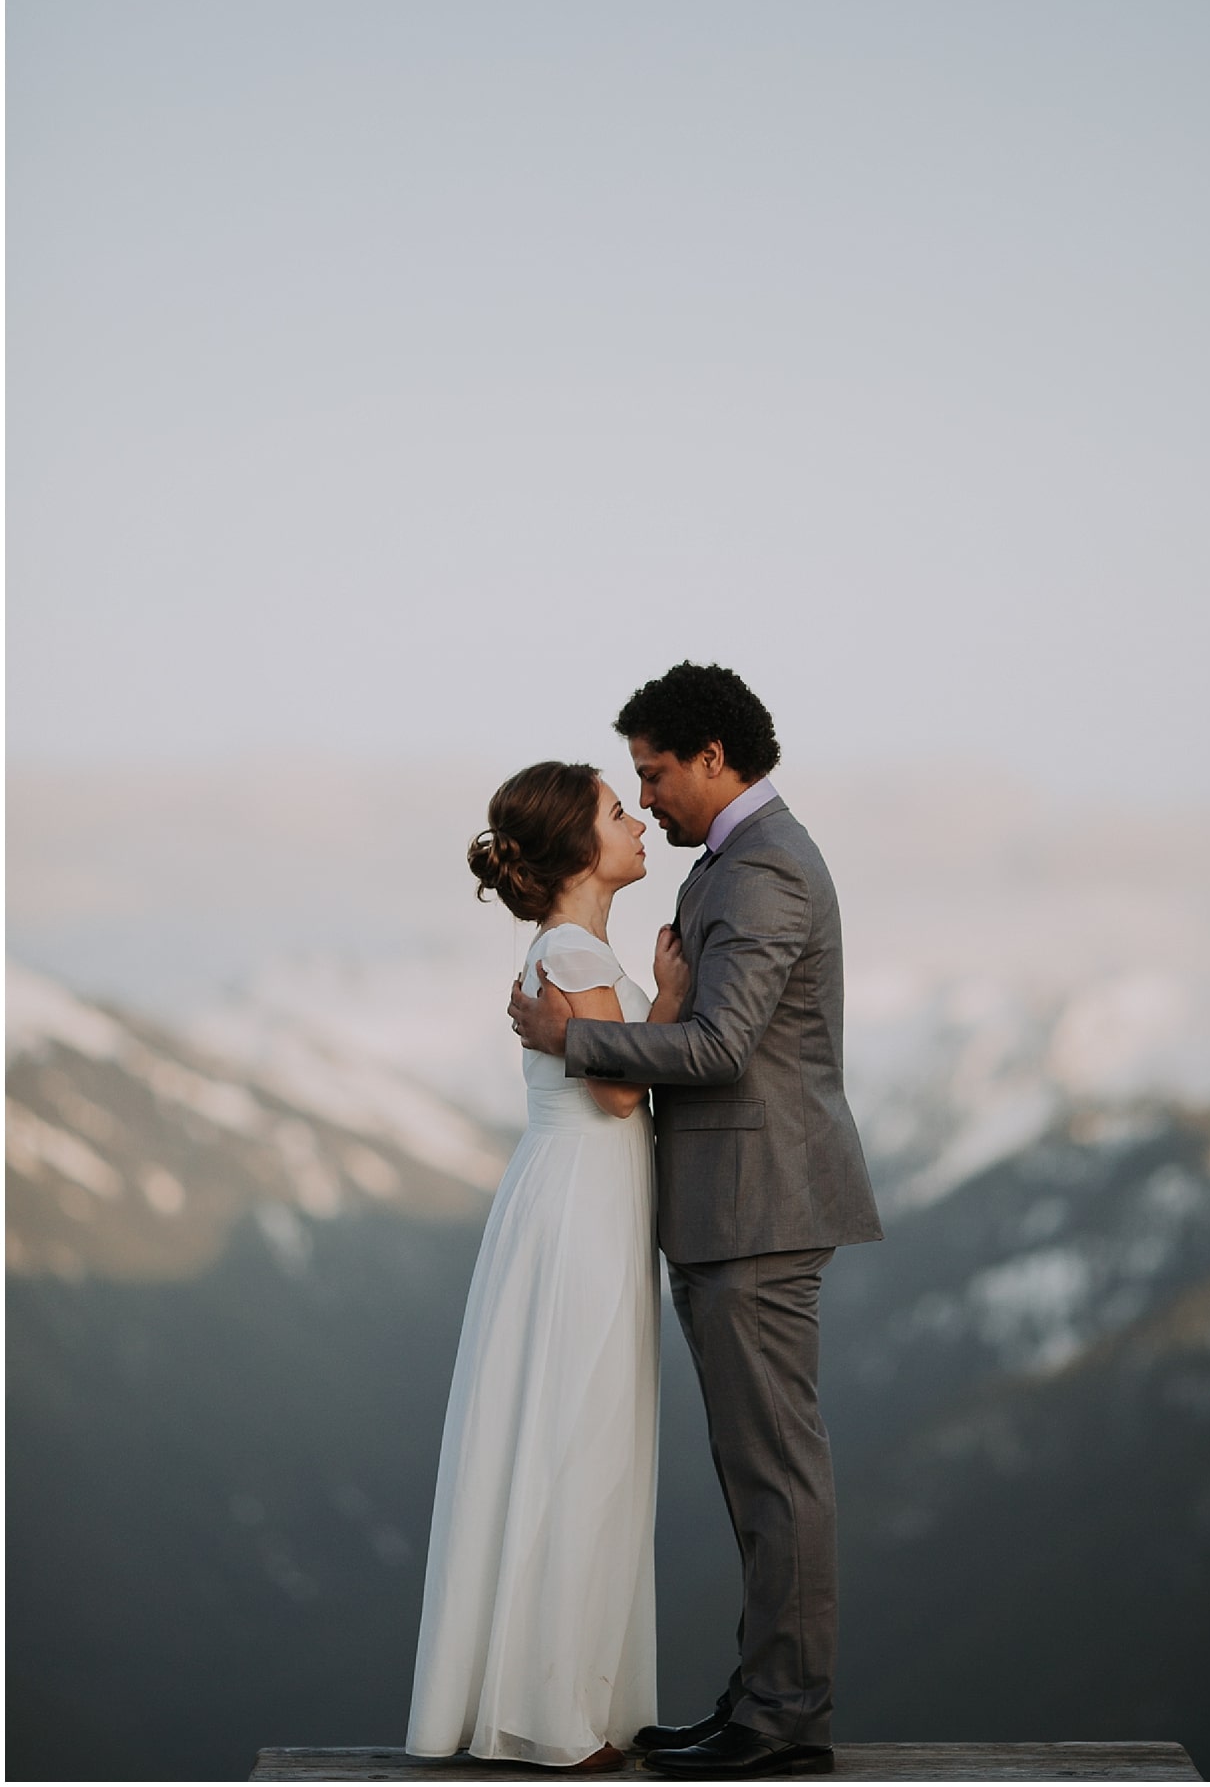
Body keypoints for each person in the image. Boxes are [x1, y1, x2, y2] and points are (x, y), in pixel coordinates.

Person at [511, 664, 883, 1783]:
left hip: (759, 1211)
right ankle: (764, 1695)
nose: (649, 794)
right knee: (756, 1471)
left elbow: (721, 1047)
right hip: (732, 1209)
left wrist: (571, 1038)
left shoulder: (764, 868)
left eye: (655, 771)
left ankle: (782, 1716)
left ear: (714, 756)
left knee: (775, 1473)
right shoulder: (741, 860)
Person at [406, 759, 690, 1772]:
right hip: (580, 1204)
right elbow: (618, 1092)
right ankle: (550, 1715)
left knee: (571, 1427)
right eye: (620, 811)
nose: (638, 820)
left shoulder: (572, 946)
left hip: (579, 1197)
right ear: (581, 848)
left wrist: (631, 1010)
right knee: (578, 1431)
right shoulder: (572, 945)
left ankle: (551, 1695)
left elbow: (605, 1071)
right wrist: (665, 998)